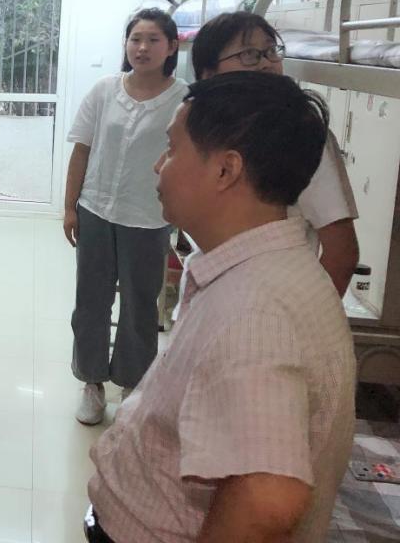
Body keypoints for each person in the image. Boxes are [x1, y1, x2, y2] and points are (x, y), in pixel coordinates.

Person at [86, 72, 356, 543]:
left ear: (226, 171)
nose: (158, 166)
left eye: (171, 150)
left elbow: (267, 500)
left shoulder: (256, 312)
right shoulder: (259, 269)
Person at [63, 8, 187, 426]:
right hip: (96, 210)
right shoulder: (104, 90)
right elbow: (82, 149)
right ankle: (92, 382)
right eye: (135, 38)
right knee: (90, 302)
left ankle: (133, 383)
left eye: (153, 40)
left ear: (171, 47)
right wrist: (70, 206)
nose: (142, 47)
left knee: (139, 306)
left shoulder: (184, 100)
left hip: (148, 218)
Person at [191, 11, 360, 296]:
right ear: (209, 74)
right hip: (213, 294)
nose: (266, 63)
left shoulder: (301, 136)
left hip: (274, 301)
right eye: (249, 54)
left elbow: (341, 253)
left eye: (271, 51)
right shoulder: (197, 130)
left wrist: (308, 315)